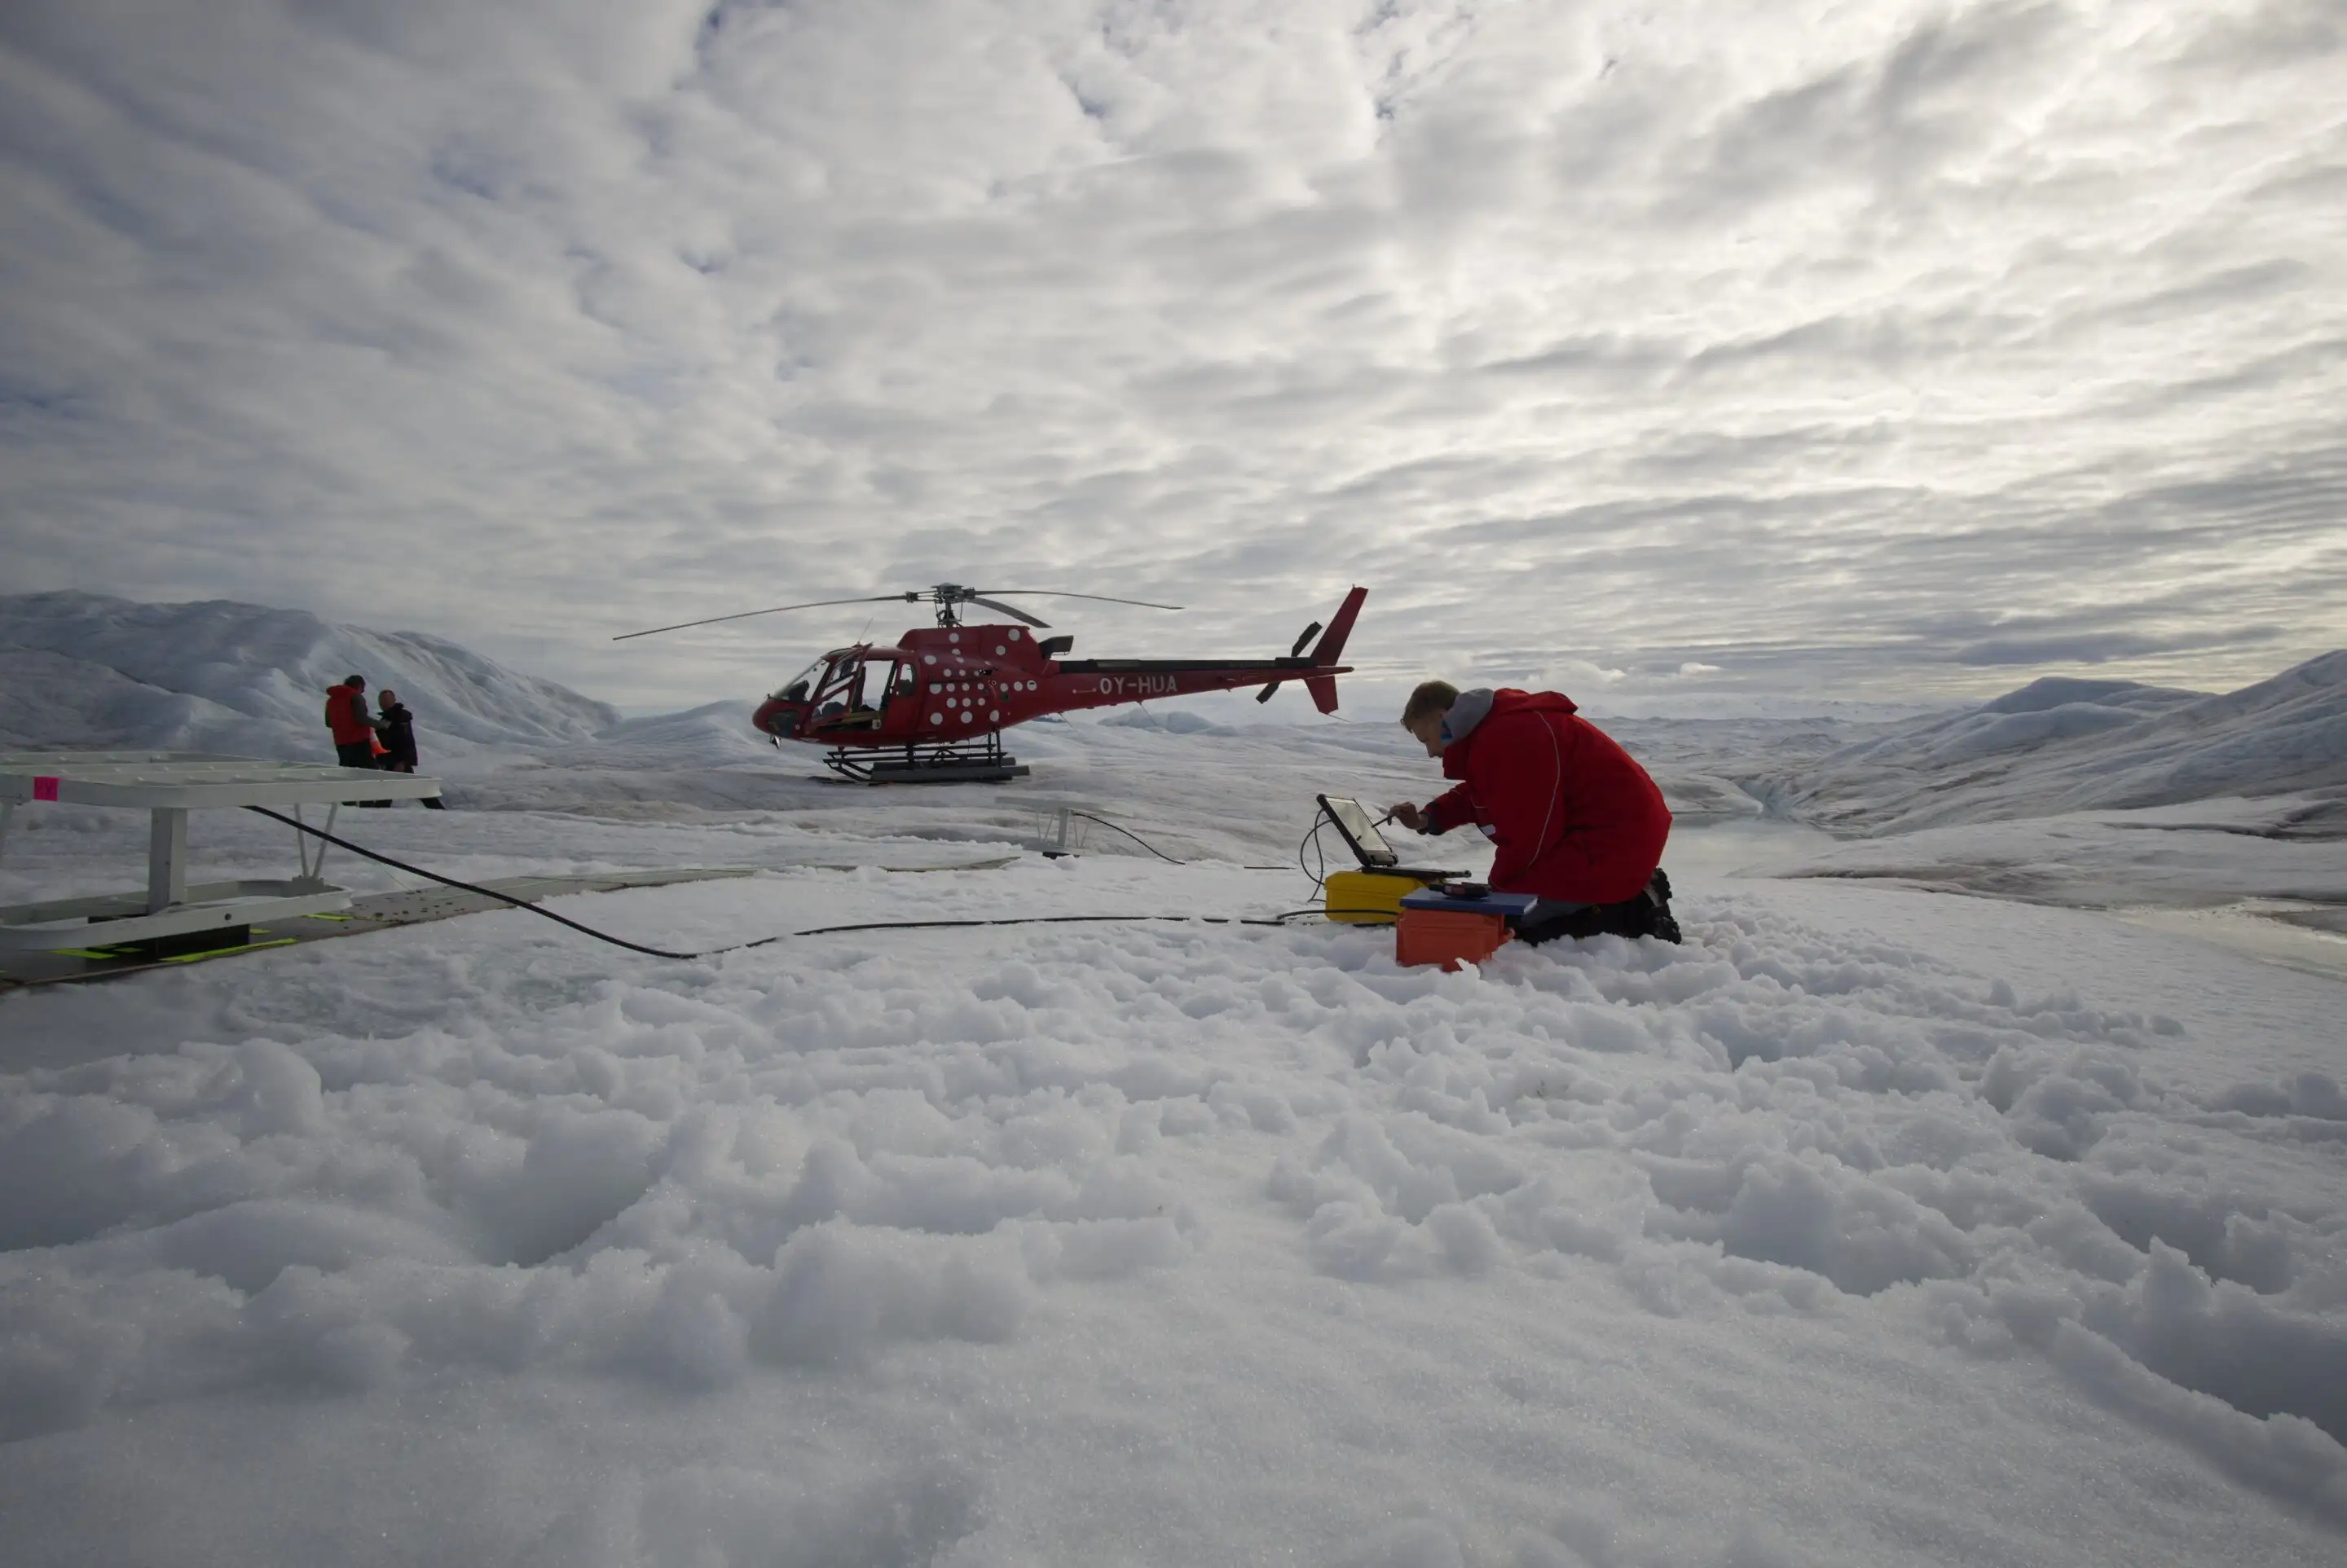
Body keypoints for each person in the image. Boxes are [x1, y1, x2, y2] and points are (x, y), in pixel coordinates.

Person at [1389, 680, 1680, 945]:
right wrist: (1427, 818)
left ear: (1442, 718)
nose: (1430, 753)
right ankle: (1628, 892)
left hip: (1613, 843)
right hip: (1611, 839)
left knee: (1511, 924)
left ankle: (1634, 913)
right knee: (1505, 907)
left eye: (1425, 739)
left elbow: (1531, 836)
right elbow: (1484, 792)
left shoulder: (1511, 736)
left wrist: (1496, 895)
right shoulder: (1495, 732)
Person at [376, 689, 446, 808]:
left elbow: (406, 741)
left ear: (393, 700)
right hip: (391, 760)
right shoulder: (388, 718)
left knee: (405, 788)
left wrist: (403, 761)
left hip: (397, 761)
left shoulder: (399, 718)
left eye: (386, 700)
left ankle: (438, 808)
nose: (384, 704)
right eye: (382, 701)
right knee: (389, 790)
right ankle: (437, 808)